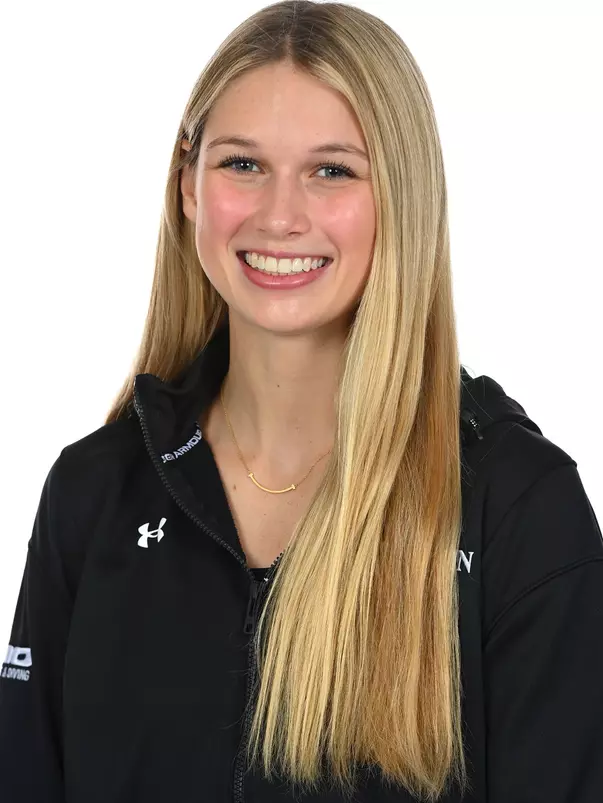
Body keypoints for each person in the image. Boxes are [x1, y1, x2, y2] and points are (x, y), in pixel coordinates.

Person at [1, 1, 602, 801]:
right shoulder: (92, 492)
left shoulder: (516, 508)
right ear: (187, 187)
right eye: (242, 164)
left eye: (332, 171)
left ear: (402, 197)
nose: (279, 216)